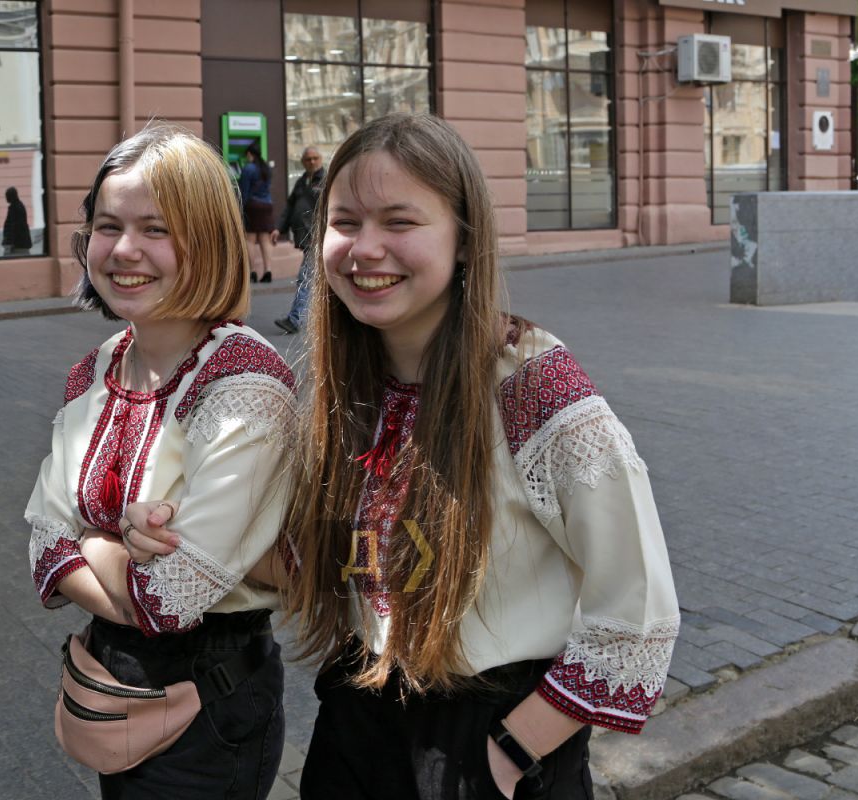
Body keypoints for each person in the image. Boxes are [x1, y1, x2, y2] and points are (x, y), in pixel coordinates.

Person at [281, 113, 681, 799]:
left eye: (400, 223)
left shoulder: (531, 383)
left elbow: (639, 606)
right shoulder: (343, 381)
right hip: (358, 717)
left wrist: (512, 747)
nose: (365, 248)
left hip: (487, 736)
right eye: (345, 222)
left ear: (464, 241)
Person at [23, 124, 296, 800]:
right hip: (115, 688)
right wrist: (115, 558)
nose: (123, 250)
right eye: (108, 225)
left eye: (156, 229)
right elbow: (41, 547)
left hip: (210, 702)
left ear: (206, 239)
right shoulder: (95, 369)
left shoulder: (244, 384)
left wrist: (88, 545)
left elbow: (168, 600)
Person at [272, 146, 325, 334]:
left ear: (320, 159)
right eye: (308, 159)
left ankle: (295, 320)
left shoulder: (326, 181)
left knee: (306, 278)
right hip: (307, 237)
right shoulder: (302, 181)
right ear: (303, 162)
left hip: (318, 238)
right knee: (322, 281)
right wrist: (279, 228)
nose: (312, 162)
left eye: (315, 158)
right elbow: (290, 207)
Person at [239, 140, 274, 283]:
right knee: (265, 239)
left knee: (250, 239)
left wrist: (241, 206)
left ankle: (252, 271)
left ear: (249, 154)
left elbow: (244, 191)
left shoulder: (248, 169)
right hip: (267, 205)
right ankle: (268, 271)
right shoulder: (266, 168)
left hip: (253, 206)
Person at [2, 186, 33, 255]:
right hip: (17, 243)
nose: (6, 198)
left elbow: (15, 227)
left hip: (18, 245)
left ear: (11, 196)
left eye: (7, 195)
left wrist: (10, 241)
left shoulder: (16, 207)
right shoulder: (16, 206)